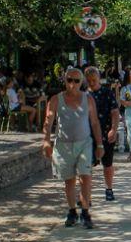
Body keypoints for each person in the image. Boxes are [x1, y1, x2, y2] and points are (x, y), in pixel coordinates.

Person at [43, 68, 105, 229]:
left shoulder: (88, 99)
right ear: (65, 81)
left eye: (76, 80)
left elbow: (95, 123)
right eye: (69, 80)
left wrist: (99, 144)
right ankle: (72, 211)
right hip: (64, 144)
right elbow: (48, 122)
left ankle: (85, 212)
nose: (73, 84)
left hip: (84, 143)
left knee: (85, 177)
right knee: (69, 180)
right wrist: (46, 141)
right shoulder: (56, 99)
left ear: (81, 82)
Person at [84, 66, 120, 202]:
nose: (91, 83)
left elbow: (115, 112)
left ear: (99, 78)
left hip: (105, 133)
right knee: (86, 166)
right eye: (89, 80)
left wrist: (114, 129)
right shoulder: (83, 95)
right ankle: (86, 194)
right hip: (87, 135)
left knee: (107, 163)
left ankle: (109, 189)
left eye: (94, 80)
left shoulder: (107, 93)